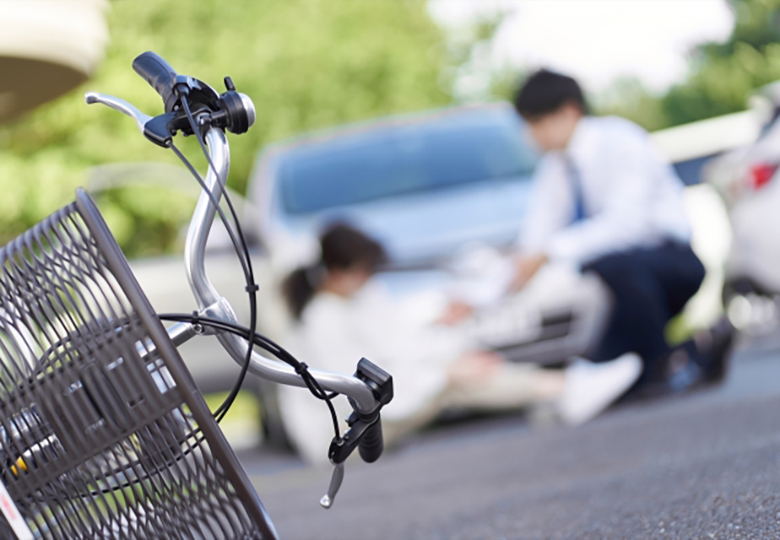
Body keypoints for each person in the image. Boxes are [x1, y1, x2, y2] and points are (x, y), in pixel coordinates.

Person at [277, 223, 641, 465]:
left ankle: (560, 391)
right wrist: (445, 370)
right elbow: (359, 390)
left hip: (364, 418)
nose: (369, 279)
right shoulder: (322, 319)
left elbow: (396, 346)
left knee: (458, 367)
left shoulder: (350, 300)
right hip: (338, 437)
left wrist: (446, 347)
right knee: (454, 380)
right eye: (363, 271)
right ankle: (564, 389)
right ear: (340, 272)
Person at [510, 69, 734, 396]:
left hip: (670, 263)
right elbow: (535, 236)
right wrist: (499, 282)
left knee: (609, 264)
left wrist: (550, 252)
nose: (531, 137)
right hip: (618, 285)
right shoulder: (554, 169)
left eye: (536, 123)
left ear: (569, 112)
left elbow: (628, 227)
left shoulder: (620, 141)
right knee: (608, 369)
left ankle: (666, 363)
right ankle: (694, 351)